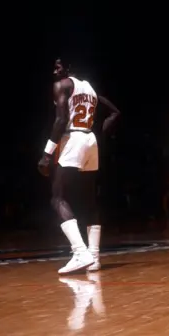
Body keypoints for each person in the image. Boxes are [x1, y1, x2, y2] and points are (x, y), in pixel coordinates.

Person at [37, 59, 121, 274]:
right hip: (90, 140)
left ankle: (80, 252)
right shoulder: (90, 88)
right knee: (89, 201)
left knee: (57, 197)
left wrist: (46, 154)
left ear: (68, 68)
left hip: (73, 137)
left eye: (58, 67)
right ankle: (94, 257)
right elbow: (115, 112)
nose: (54, 71)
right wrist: (100, 132)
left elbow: (61, 120)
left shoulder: (63, 85)